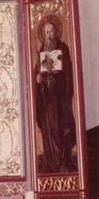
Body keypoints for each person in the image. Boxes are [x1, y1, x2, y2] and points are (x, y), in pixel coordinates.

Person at [35, 19, 76, 173]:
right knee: (48, 127)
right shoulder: (41, 50)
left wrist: (58, 74)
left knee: (59, 126)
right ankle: (51, 160)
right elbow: (37, 70)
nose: (48, 35)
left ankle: (62, 160)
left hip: (58, 97)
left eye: (50, 31)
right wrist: (38, 77)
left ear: (56, 32)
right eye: (45, 32)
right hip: (45, 97)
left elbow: (68, 73)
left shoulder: (62, 48)